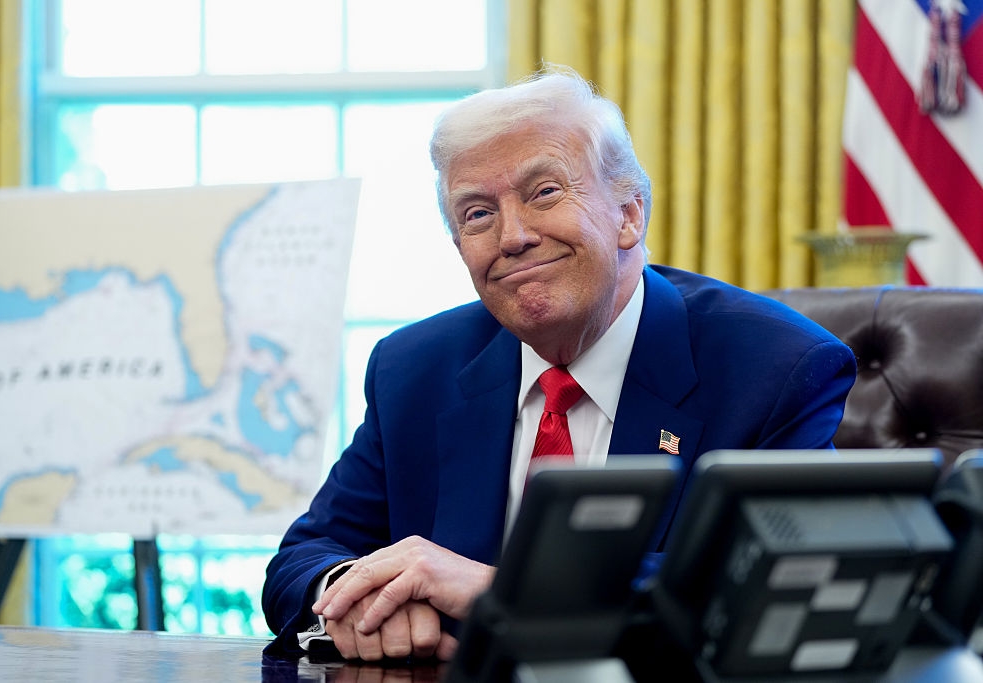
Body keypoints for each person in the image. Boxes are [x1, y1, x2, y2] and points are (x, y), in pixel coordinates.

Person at [261, 64, 857, 663]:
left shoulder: (776, 368)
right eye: (477, 214)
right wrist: (354, 595)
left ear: (629, 214)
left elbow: (773, 585)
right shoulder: (414, 369)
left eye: (544, 192)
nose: (512, 236)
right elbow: (305, 556)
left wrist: (500, 591)